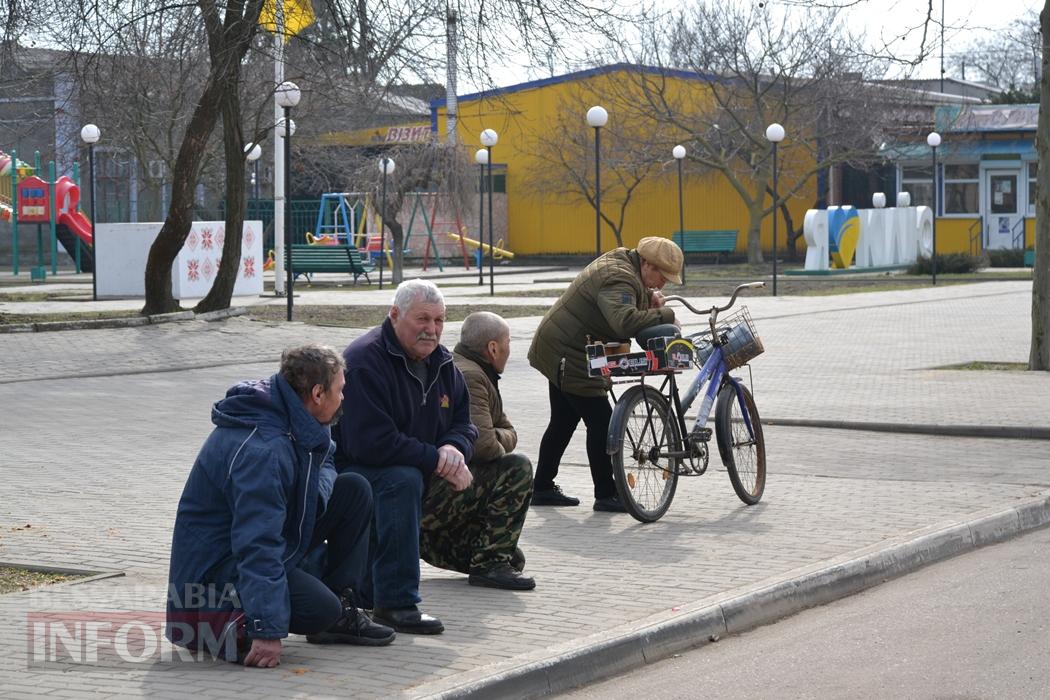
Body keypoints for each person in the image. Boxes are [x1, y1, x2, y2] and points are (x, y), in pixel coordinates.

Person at [166, 344, 395, 669]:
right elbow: (256, 545)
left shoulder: (297, 413)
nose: (344, 398)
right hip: (216, 572)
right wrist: (267, 630)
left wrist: (311, 497)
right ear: (317, 393)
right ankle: (225, 624)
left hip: (268, 537)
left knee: (354, 489)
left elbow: (325, 456)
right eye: (341, 390)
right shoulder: (264, 452)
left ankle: (343, 609)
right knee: (319, 609)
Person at [334, 279, 478, 635]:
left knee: (499, 469)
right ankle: (395, 603)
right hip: (352, 470)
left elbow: (464, 421)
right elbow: (373, 443)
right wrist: (435, 459)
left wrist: (455, 449)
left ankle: (491, 561)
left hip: (414, 462)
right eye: (423, 319)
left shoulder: (444, 363)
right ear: (395, 315)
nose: (432, 330)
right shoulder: (364, 362)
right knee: (401, 480)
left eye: (440, 321)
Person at [527, 236, 683, 512]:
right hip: (570, 353)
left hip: (562, 347)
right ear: (646, 263)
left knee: (563, 421)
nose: (664, 284)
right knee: (602, 422)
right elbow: (623, 322)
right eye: (663, 276)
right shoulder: (618, 276)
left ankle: (541, 487)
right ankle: (606, 493)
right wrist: (666, 315)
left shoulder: (626, 265)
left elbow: (622, 304)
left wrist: (648, 299)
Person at [421, 311, 535, 591]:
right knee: (517, 468)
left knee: (513, 558)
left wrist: (499, 435)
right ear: (493, 348)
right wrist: (500, 436)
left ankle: (472, 555)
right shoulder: (471, 376)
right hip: (434, 494)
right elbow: (485, 446)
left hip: (441, 489)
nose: (510, 349)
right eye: (508, 342)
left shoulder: (476, 371)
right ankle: (488, 566)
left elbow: (504, 429)